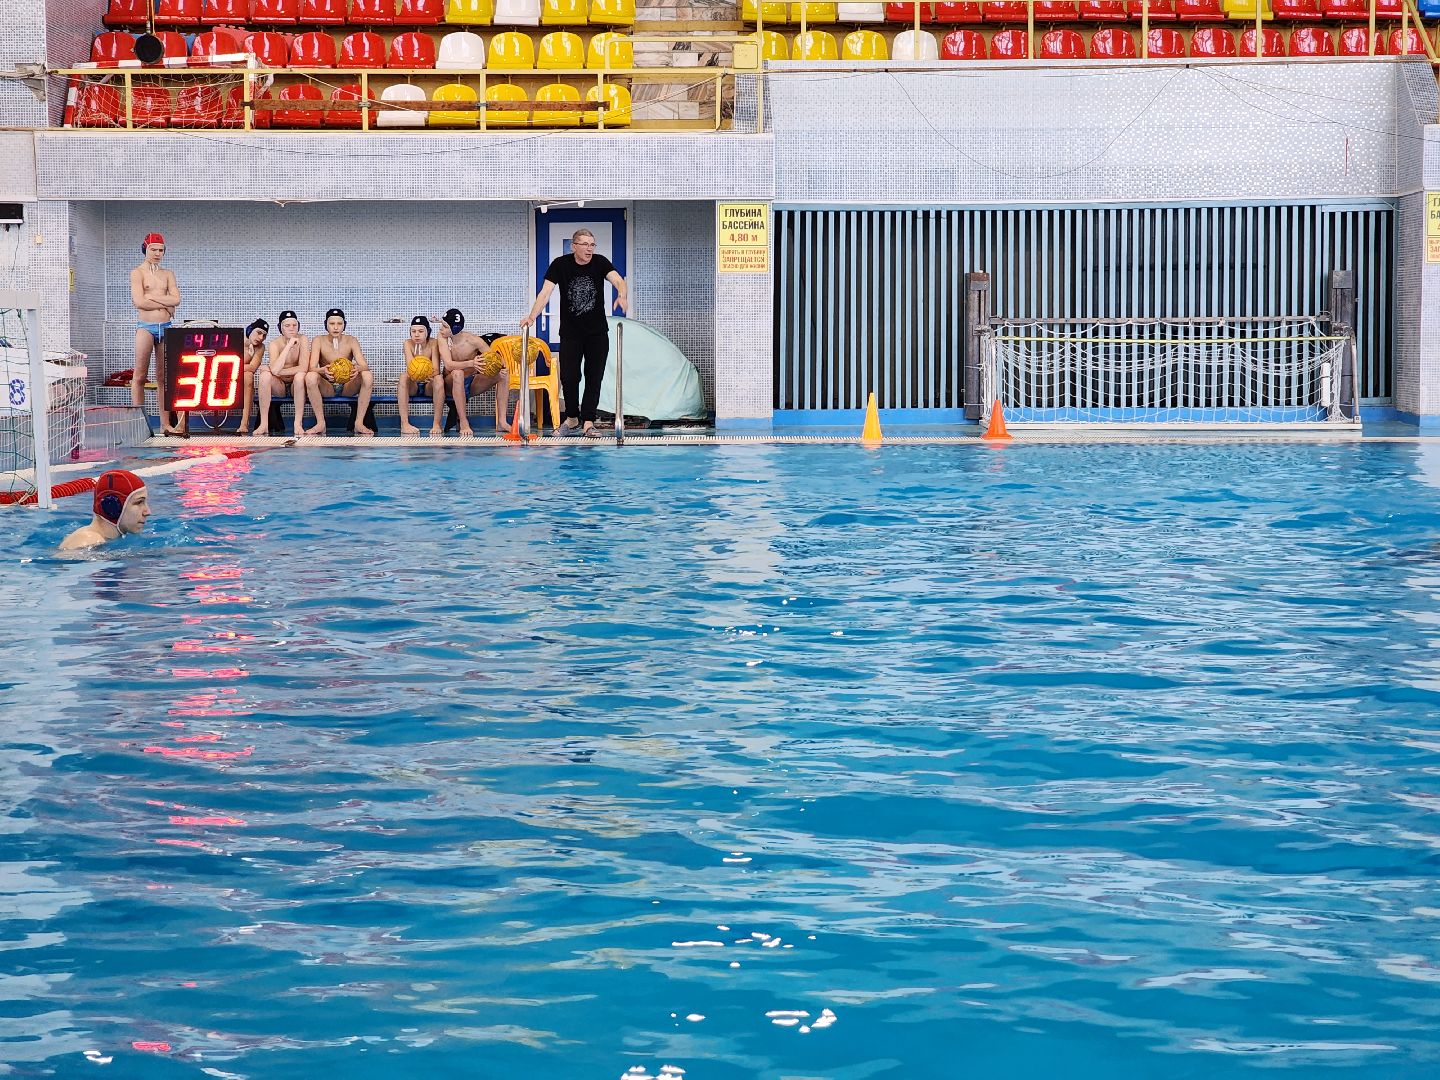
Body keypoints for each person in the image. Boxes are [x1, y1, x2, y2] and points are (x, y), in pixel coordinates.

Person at [521, 228, 629, 438]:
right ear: (574, 246)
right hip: (571, 333)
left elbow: (618, 280)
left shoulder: (600, 262)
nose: (589, 249)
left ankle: (588, 422)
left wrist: (622, 295)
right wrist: (532, 317)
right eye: (585, 244)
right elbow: (545, 292)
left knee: (594, 377)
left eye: (592, 244)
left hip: (597, 333)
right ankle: (571, 419)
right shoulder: (560, 265)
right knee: (569, 377)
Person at [129, 233, 184, 436]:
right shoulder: (137, 273)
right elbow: (139, 302)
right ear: (145, 249)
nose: (157, 253)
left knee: (164, 378)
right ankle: (139, 424)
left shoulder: (168, 274)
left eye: (161, 250)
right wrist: (165, 302)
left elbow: (177, 300)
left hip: (166, 326)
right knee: (140, 376)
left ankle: (165, 424)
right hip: (146, 327)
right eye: (153, 249)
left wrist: (152, 298)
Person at [438, 308, 508, 437]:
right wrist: (471, 363)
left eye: (445, 326)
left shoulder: (474, 341)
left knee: (503, 376)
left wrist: (502, 366)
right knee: (458, 373)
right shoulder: (442, 337)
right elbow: (448, 364)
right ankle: (464, 422)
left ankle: (502, 422)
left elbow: (494, 357)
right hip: (450, 384)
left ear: (455, 329)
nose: (441, 329)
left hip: (471, 383)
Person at [306, 308, 375, 437]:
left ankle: (359, 423)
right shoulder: (318, 340)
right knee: (310, 377)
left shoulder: (351, 340)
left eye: (339, 323)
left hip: (347, 386)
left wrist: (357, 369)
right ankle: (320, 423)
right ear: (326, 324)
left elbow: (365, 366)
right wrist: (323, 370)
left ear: (344, 325)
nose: (336, 327)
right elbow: (311, 368)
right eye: (332, 324)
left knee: (367, 375)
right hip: (327, 386)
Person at [59, 470, 151, 551]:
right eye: (139, 502)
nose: (147, 512)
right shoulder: (89, 541)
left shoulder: (101, 540)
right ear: (112, 506)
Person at [256, 310, 309, 437]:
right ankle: (264, 424)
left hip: (296, 385)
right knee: (264, 376)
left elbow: (303, 368)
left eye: (294, 325)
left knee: (300, 376)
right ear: (280, 328)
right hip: (279, 386)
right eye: (287, 326)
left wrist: (277, 371)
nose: (292, 328)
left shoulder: (303, 339)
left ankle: (298, 423)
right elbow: (274, 370)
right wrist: (289, 345)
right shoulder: (274, 344)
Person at [398, 315, 444, 436]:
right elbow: (410, 368)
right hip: (414, 385)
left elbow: (436, 370)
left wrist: (423, 372)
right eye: (413, 331)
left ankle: (436, 424)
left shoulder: (434, 343)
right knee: (403, 376)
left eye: (420, 331)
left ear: (427, 331)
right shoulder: (407, 343)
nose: (416, 335)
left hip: (429, 385)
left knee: (439, 379)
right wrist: (420, 371)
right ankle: (404, 424)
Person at [238, 318, 268, 435]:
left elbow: (252, 368)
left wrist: (235, 367)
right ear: (250, 330)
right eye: (259, 333)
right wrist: (248, 356)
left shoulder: (260, 347)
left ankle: (244, 423)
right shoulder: (236, 340)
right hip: (222, 376)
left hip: (241, 379)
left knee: (248, 376)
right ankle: (184, 424)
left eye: (264, 335)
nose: (261, 338)